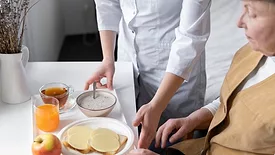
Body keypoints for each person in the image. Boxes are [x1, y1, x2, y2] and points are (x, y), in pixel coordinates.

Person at [127, 0, 275, 154]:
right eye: (243, 8)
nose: (239, 22)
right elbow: (231, 103)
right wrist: (194, 120)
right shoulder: (252, 51)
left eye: (252, 13)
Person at [84, 0, 211, 149]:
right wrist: (108, 58)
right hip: (128, 59)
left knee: (170, 144)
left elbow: (190, 39)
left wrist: (157, 105)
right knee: (125, 139)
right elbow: (107, 3)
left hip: (173, 76)